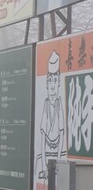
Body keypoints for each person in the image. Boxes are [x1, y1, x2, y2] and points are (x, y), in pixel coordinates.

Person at [38, 50, 65, 181]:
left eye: (55, 81)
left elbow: (61, 134)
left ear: (59, 82)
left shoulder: (60, 104)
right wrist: (44, 167)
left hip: (57, 154)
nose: (52, 85)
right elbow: (42, 140)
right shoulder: (46, 104)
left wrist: (58, 165)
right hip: (47, 154)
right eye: (49, 81)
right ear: (47, 84)